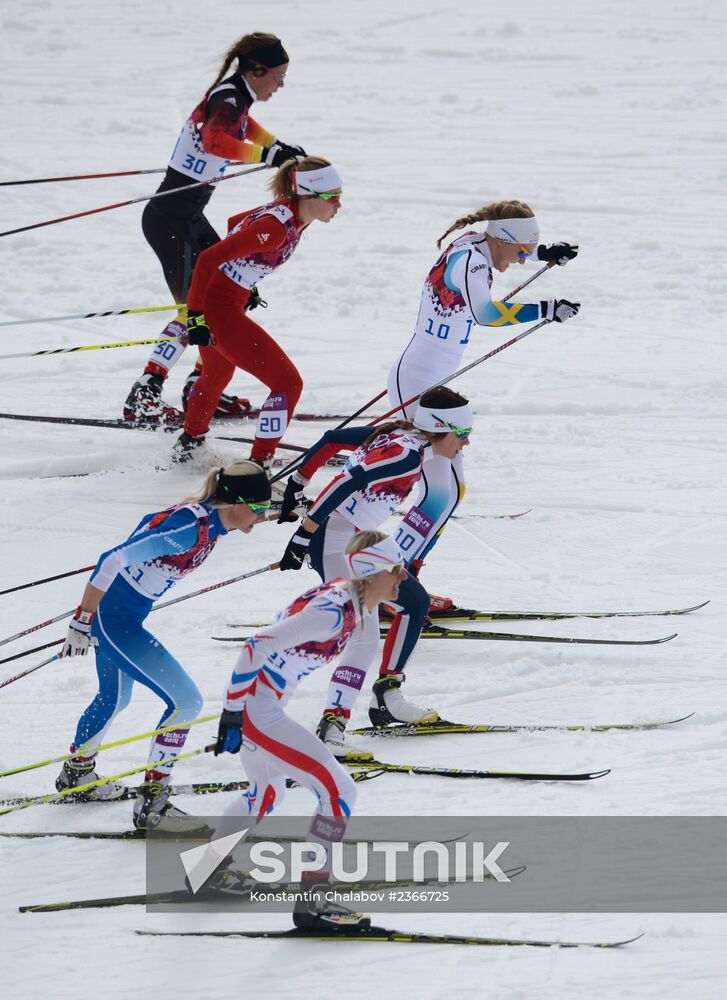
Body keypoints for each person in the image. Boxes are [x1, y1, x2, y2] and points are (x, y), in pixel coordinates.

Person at [383, 199, 580, 612]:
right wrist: (545, 309)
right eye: (523, 251)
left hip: (429, 382)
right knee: (441, 492)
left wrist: (545, 253)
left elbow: (496, 249)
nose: (525, 261)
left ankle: (400, 583)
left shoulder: (475, 243)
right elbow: (486, 314)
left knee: (448, 492)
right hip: (420, 384)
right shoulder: (471, 262)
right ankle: (391, 586)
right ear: (505, 238)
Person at [55, 461, 272, 831]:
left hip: (123, 615)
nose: (260, 521)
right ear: (235, 503)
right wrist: (82, 620)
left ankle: (77, 773)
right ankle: (153, 803)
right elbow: (113, 558)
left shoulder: (211, 519)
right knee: (187, 701)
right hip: (114, 621)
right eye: (258, 511)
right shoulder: (189, 529)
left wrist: (294, 513)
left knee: (115, 699)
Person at [214, 530, 407, 932]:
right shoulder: (333, 611)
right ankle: (314, 905)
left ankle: (208, 868)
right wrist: (233, 712)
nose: (403, 577)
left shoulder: (357, 603)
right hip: (258, 708)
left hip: (263, 702)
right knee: (339, 792)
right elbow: (255, 645)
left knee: (267, 791)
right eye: (396, 570)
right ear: (371, 573)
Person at [277, 387, 474, 758]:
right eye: (462, 435)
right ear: (441, 429)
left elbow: (332, 439)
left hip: (360, 541)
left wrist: (298, 481)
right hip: (336, 542)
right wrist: (304, 535)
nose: (464, 445)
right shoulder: (405, 456)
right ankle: (332, 727)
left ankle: (387, 696)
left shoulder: (401, 437)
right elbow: (344, 482)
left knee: (414, 603)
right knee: (364, 636)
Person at [123, 32, 306, 424]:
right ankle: (146, 391)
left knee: (230, 297)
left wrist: (277, 146)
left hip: (187, 217)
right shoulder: (227, 98)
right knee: (198, 308)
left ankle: (202, 385)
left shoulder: (235, 98)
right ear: (256, 70)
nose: (281, 84)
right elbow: (216, 140)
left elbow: (245, 128)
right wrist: (269, 154)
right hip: (169, 219)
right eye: (278, 76)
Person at [172, 156, 343, 465]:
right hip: (217, 307)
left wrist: (245, 279)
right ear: (309, 194)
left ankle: (189, 443)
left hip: (226, 299)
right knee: (289, 384)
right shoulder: (275, 229)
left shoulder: (293, 214)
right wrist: (196, 317)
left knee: (216, 373)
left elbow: (234, 223)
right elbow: (210, 258)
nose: (339, 205)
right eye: (333, 197)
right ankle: (258, 464)